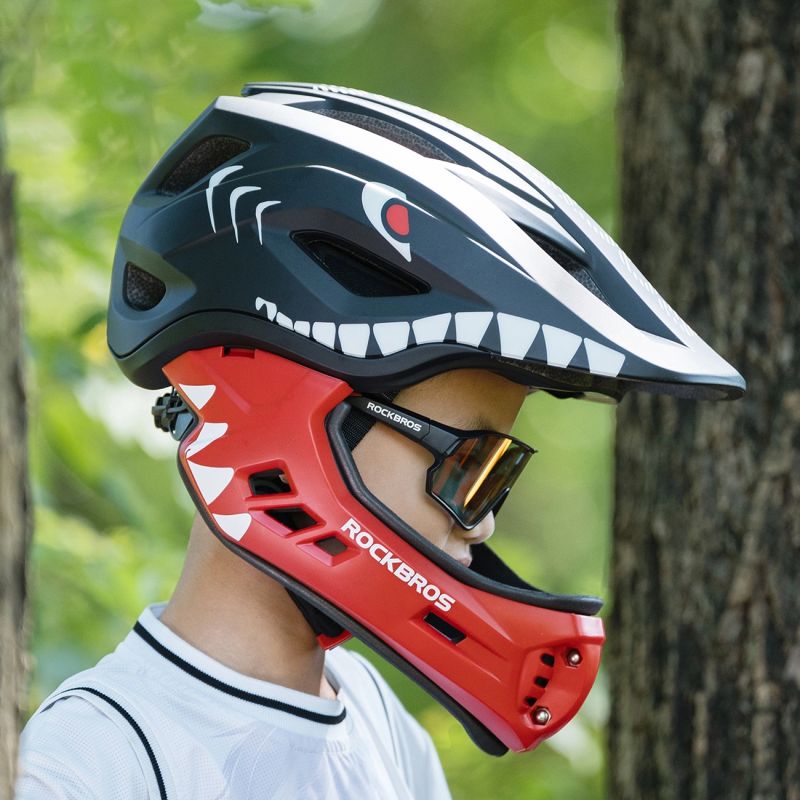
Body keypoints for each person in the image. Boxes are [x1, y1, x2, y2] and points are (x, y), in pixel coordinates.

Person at [15, 82, 744, 799]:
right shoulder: (90, 762)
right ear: (285, 419)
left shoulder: (377, 722)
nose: (483, 522)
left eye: (498, 476)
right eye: (470, 463)